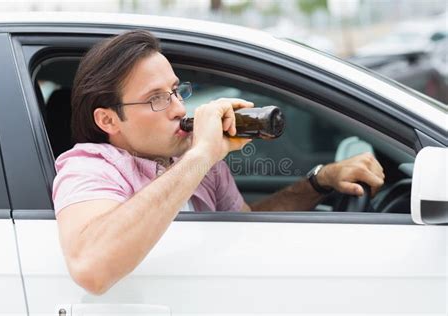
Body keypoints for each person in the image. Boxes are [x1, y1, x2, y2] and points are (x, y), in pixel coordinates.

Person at [53, 30, 385, 295]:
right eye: (157, 98)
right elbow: (90, 269)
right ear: (108, 120)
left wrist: (319, 181)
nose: (179, 109)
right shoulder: (89, 166)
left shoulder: (192, 162)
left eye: (175, 91)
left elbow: (241, 227)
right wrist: (200, 155)